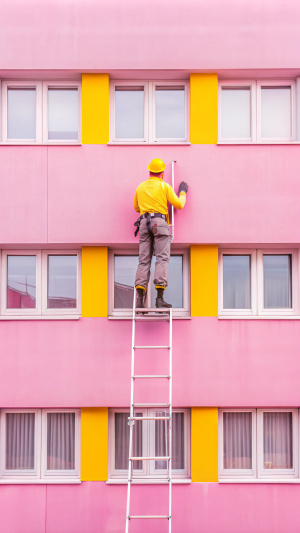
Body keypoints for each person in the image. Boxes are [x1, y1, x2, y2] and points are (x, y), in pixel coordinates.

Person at [134, 158, 188, 309]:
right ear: (162, 173)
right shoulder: (164, 186)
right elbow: (179, 204)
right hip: (160, 222)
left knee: (144, 260)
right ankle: (159, 299)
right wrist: (182, 192)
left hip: (144, 223)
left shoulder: (141, 187)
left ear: (149, 171)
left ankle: (140, 298)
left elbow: (137, 208)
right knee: (162, 259)